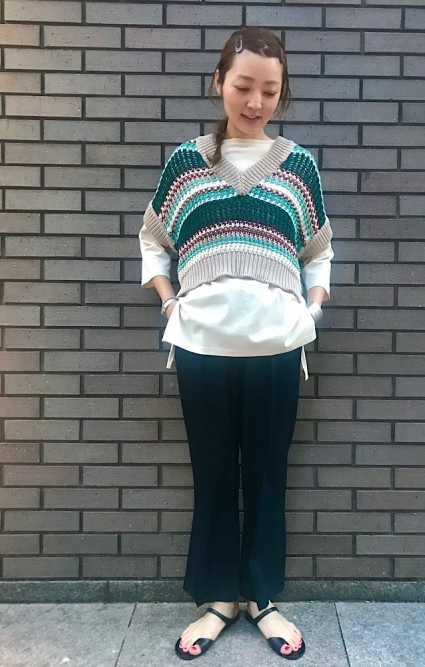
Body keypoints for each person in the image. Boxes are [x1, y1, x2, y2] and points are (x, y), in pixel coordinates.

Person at [139, 26, 334, 661]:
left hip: (278, 346)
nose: (255, 102)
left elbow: (318, 250)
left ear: (282, 94)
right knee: (215, 472)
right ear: (219, 82)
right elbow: (153, 239)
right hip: (200, 346)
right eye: (244, 86)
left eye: (269, 91)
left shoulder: (298, 166)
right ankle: (220, 597)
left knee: (269, 475)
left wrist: (310, 306)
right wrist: (169, 300)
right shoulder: (186, 163)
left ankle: (262, 598)